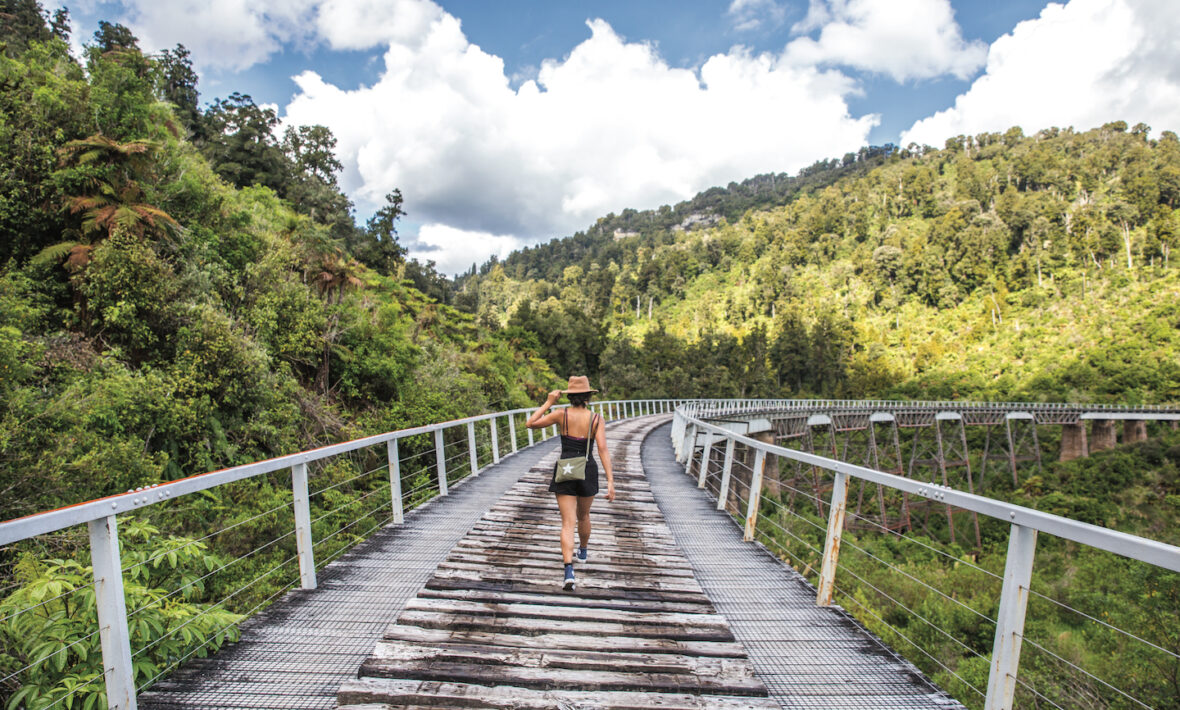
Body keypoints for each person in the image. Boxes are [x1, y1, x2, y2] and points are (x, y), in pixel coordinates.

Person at [526, 375, 614, 591]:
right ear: (587, 397)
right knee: (583, 516)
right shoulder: (596, 419)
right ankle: (582, 550)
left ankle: (568, 571)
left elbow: (530, 423)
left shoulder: (560, 415)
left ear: (570, 396)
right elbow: (602, 448)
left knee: (567, 523)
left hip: (565, 468)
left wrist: (548, 403)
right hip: (587, 468)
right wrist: (611, 480)